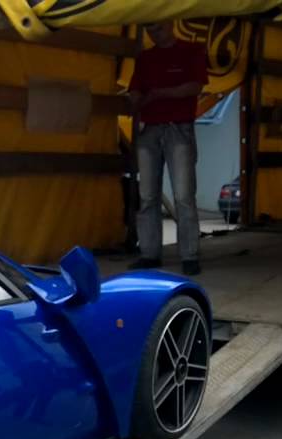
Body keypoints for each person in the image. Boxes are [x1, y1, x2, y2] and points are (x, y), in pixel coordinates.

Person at [128, 22, 207, 276]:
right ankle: (149, 254)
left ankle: (189, 255)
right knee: (147, 195)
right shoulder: (145, 58)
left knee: (183, 195)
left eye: (158, 29)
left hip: (178, 128)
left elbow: (195, 86)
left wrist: (158, 94)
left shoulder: (192, 51)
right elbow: (134, 90)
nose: (154, 34)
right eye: (150, 30)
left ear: (171, 24)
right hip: (150, 129)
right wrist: (137, 98)